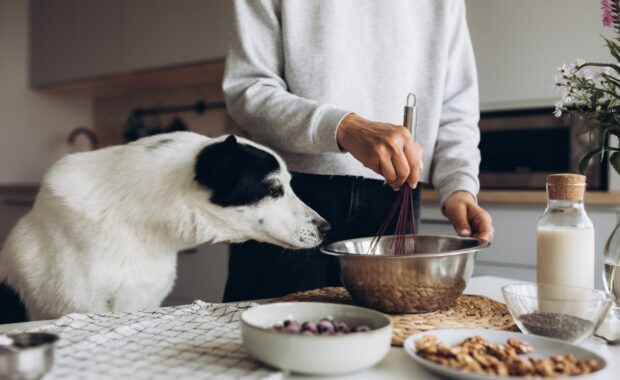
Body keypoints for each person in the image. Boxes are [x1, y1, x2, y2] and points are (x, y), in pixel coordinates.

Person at [222, 0, 494, 302]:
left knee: (390, 342)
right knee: (259, 340)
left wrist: (459, 187)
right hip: (285, 194)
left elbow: (456, 109)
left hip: (394, 201)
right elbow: (247, 89)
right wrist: (345, 128)